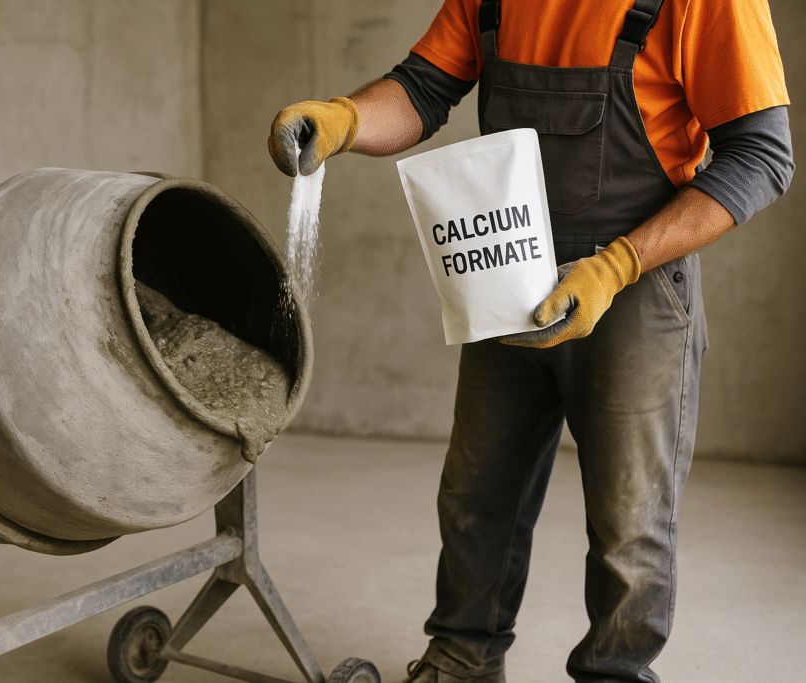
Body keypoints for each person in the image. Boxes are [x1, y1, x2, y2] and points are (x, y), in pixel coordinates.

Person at [267, 1, 793, 682]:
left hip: (635, 284)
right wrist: (343, 120)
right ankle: (463, 658)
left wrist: (618, 265)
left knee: (630, 522)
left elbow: (762, 154)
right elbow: (425, 87)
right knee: (477, 493)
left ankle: (615, 673)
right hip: (509, 271)